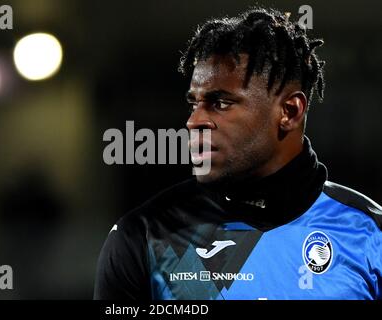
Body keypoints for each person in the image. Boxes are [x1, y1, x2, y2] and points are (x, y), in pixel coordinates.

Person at [94, 7, 382, 300]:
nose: (194, 121)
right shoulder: (144, 236)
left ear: (290, 111)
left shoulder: (370, 234)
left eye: (220, 103)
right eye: (194, 103)